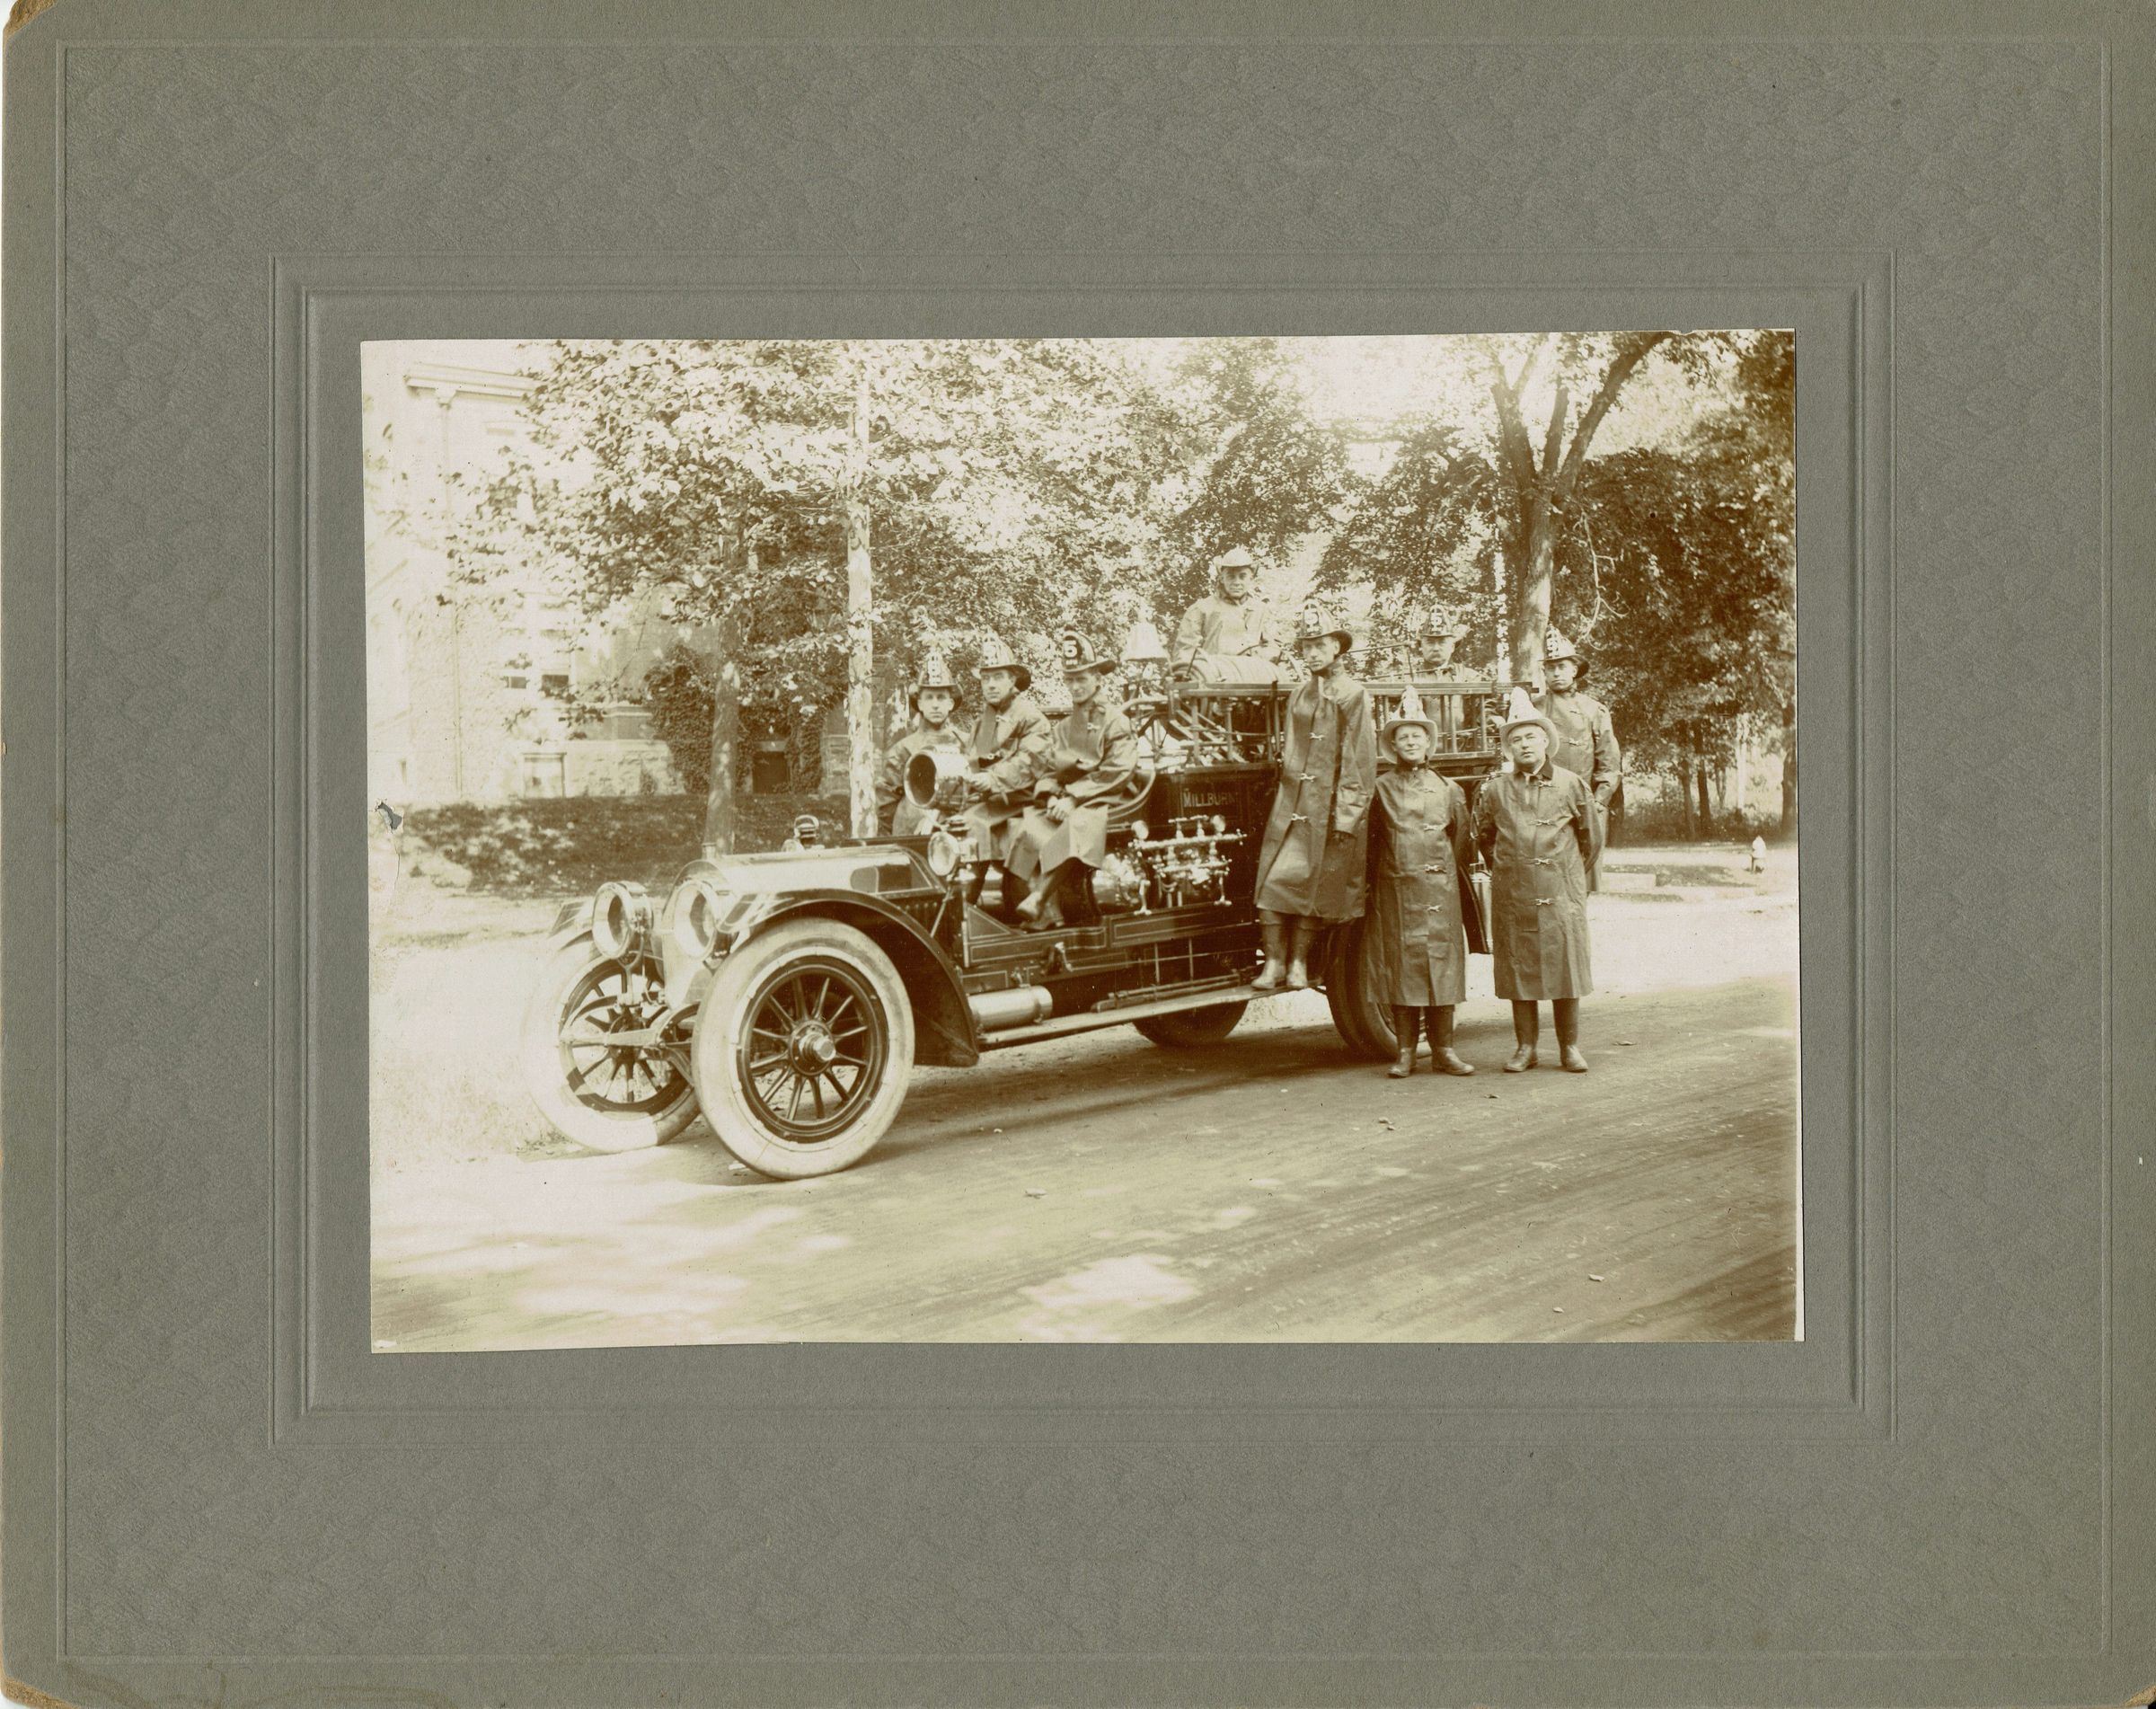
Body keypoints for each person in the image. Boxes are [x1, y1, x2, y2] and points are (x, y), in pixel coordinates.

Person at [1474, 686, 1603, 1073]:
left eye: (1531, 736)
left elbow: (1591, 840)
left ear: (1546, 740)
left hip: (1561, 891)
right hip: (1514, 892)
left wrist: (1564, 873)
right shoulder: (1496, 789)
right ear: (1509, 748)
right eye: (1516, 739)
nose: (1525, 744)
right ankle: (1525, 1048)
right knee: (1519, 968)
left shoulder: (1571, 783)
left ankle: (1569, 1048)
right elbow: (1484, 837)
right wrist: (1514, 868)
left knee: (1566, 966)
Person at [1251, 602, 1378, 990]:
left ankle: (1298, 965)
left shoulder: (1353, 694)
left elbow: (1360, 761)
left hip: (1330, 809)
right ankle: (1274, 964)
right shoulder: (1299, 694)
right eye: (1307, 646)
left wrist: (1347, 817)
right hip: (1292, 807)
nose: (1312, 653)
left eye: (1320, 645)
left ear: (1336, 647)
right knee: (1272, 883)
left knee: (1315, 889)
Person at [1366, 685, 1477, 1077]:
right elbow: (1371, 842)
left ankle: (1444, 1051)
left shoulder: (1450, 789)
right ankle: (1406, 1053)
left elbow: (1461, 841)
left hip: (1440, 891)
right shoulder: (1380, 789)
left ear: (1428, 742)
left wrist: (1439, 872)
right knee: (1402, 967)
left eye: (1417, 735)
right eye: (1403, 736)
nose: (1411, 741)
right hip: (1396, 890)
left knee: (1443, 966)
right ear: (1393, 745)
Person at [1009, 632, 1145, 931]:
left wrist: (1073, 798)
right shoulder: (1064, 727)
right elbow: (1049, 769)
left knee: (1080, 823)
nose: (1075, 686)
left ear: (1097, 678)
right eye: (1070, 680)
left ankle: (1040, 897)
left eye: (1081, 679)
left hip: (1109, 796)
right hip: (1071, 797)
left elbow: (1118, 770)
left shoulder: (1115, 721)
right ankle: (1051, 913)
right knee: (1028, 824)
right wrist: (1051, 796)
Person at [959, 637, 1053, 915]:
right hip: (993, 799)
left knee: (969, 826)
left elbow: (1030, 761)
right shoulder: (984, 720)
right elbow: (972, 760)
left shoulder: (1030, 717)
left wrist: (992, 779)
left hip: (1023, 798)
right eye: (986, 678)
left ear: (1013, 680)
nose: (990, 685)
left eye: (998, 677)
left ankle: (962, 907)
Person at [1534, 627, 1621, 888]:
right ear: (1544, 672)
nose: (1556, 673)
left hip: (1585, 805)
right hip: (1542, 804)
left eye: (1562, 666)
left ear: (1574, 670)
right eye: (1551, 668)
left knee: (1580, 878)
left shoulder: (1594, 710)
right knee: (1545, 878)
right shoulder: (1533, 708)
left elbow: (1609, 764)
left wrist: (1599, 801)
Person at [872, 651, 967, 836]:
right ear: (920, 704)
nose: (935, 704)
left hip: (957, 830)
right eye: (929, 697)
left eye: (941, 697)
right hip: (912, 833)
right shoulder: (903, 749)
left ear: (950, 703)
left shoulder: (966, 742)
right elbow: (886, 806)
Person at [1171, 545, 1282, 683]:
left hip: (1254, 682)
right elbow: (1185, 652)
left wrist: (1255, 662)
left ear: (1251, 578)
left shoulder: (1261, 610)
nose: (1237, 582)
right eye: (1231, 577)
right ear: (1222, 578)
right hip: (1214, 682)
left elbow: (1273, 648)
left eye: (1242, 576)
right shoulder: (1201, 609)